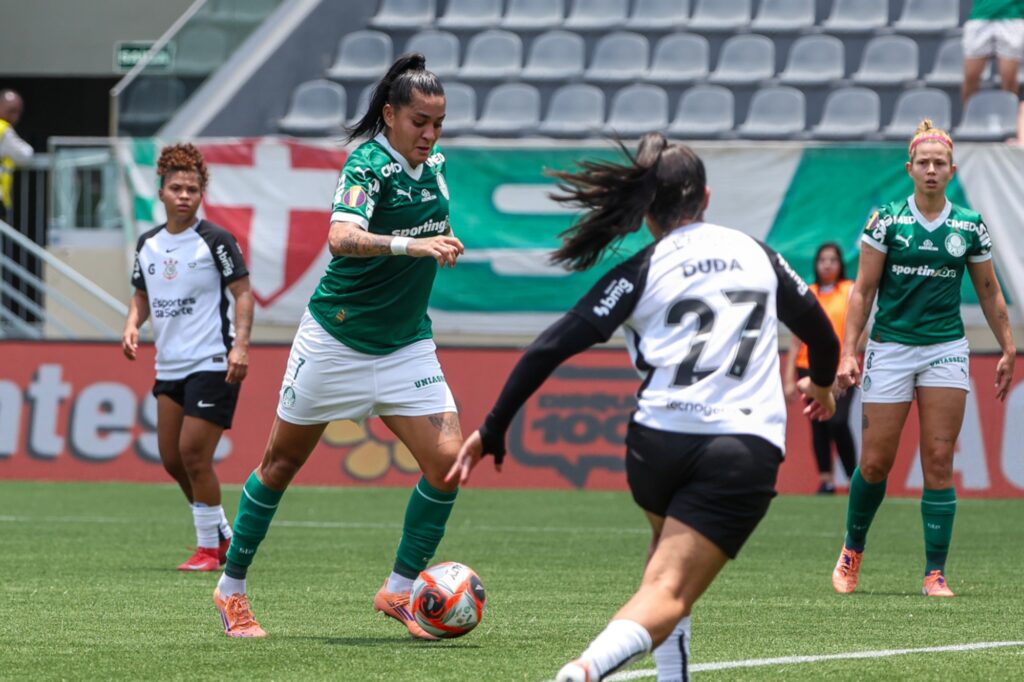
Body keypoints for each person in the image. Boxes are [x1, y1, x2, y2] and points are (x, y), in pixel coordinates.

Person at [447, 133, 839, 682]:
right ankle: (584, 671)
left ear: (649, 214)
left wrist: (492, 429)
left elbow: (549, 347)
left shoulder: (641, 269)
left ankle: (671, 676)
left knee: (665, 564)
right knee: (668, 589)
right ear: (706, 196)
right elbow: (823, 336)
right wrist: (821, 386)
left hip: (655, 446)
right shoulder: (758, 253)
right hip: (738, 449)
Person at [211, 53, 465, 639]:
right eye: (420, 122)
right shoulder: (367, 165)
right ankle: (231, 590)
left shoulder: (438, 167)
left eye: (439, 123)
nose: (430, 134)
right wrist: (412, 246)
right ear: (390, 114)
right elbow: (341, 238)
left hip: (405, 347)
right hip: (336, 341)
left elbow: (421, 227)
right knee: (280, 465)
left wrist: (437, 240)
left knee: (449, 464)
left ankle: (400, 590)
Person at [830, 120, 1016, 599]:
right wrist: (850, 351)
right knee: (874, 464)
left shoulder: (968, 225)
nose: (931, 170)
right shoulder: (886, 220)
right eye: (923, 163)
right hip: (890, 348)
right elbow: (863, 291)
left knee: (938, 460)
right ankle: (852, 550)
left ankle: (935, 572)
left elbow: (990, 290)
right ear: (909, 168)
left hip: (945, 349)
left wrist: (1008, 346)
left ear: (951, 170)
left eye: (939, 163)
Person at [122, 143, 254, 571]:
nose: (184, 195)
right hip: (170, 365)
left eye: (192, 189)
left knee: (195, 454)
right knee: (172, 459)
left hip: (213, 361)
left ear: (201, 195)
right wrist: (131, 324)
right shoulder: (147, 244)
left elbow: (243, 295)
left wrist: (241, 346)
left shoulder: (215, 240)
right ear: (161, 192)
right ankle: (220, 533)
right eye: (176, 188)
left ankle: (208, 551)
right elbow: (141, 295)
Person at [783, 242, 858, 494]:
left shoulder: (849, 290)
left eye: (833, 259)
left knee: (838, 421)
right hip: (809, 366)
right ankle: (826, 480)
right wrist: (789, 379)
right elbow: (796, 339)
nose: (827, 264)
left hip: (841, 369)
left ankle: (852, 478)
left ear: (840, 264)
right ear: (816, 264)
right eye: (822, 259)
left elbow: (862, 328)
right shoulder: (808, 292)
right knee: (818, 424)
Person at [961, 0, 1024, 105]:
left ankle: (1008, 116)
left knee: (1009, 78)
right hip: (980, 15)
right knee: (970, 76)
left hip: (1012, 16)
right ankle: (968, 117)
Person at [0, 89, 33, 224]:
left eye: (18, 112)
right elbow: (25, 154)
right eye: (11, 110)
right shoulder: (2, 129)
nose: (15, 117)